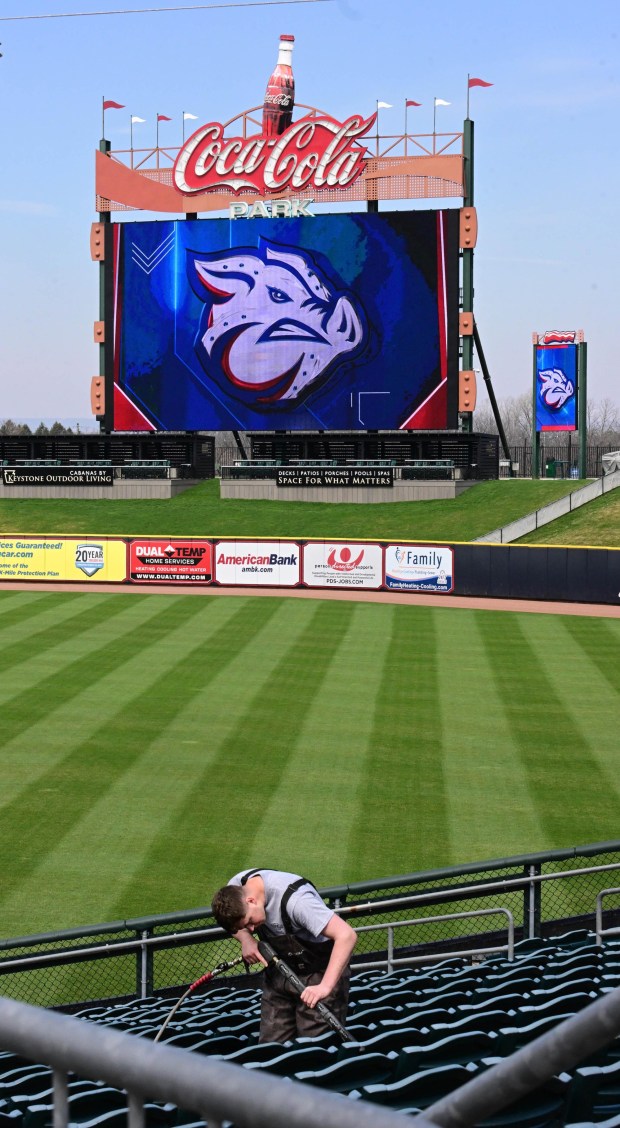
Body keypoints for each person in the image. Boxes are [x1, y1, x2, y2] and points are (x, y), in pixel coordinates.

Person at [211, 868, 357, 1043]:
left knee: (314, 1050)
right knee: (270, 1047)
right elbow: (236, 925)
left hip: (318, 973)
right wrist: (246, 939)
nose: (251, 929)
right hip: (279, 971)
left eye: (250, 922)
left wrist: (325, 987)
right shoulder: (236, 888)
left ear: (251, 900)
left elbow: (347, 935)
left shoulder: (298, 901)